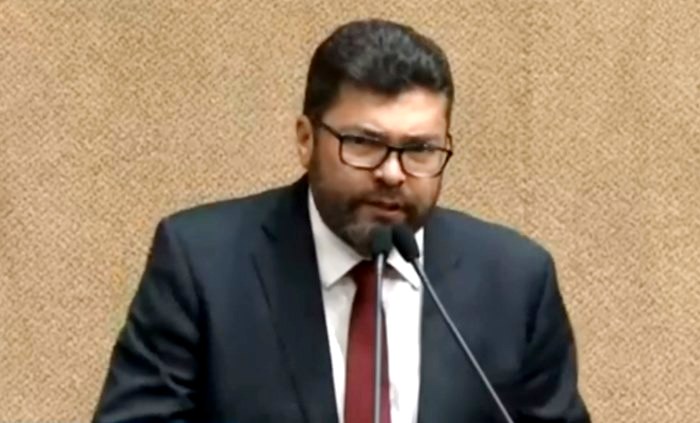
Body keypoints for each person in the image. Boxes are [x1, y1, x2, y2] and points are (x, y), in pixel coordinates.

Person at [92, 18, 590, 423]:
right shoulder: (202, 265)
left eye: (420, 149)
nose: (392, 173)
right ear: (306, 140)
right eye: (365, 143)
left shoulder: (514, 281)